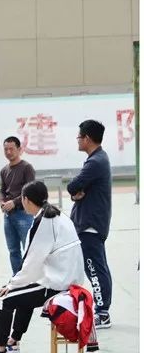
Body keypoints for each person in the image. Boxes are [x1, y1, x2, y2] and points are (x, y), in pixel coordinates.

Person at [0, 181, 86, 353]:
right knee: (22, 291)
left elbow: (31, 262)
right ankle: (13, 342)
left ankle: (0, 349)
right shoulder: (56, 215)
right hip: (68, 278)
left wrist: (12, 285)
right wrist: (18, 283)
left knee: (4, 297)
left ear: (26, 200)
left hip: (57, 283)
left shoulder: (44, 222)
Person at [67, 119, 113, 329]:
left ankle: (102, 314)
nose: (77, 140)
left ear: (87, 138)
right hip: (92, 223)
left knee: (94, 268)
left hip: (90, 225)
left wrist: (75, 191)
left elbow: (73, 185)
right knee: (99, 267)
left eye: (79, 136)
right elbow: (77, 190)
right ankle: (103, 310)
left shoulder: (95, 162)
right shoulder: (98, 159)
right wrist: (77, 194)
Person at [0, 136, 36, 274]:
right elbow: (2, 190)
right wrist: (2, 202)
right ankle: (17, 280)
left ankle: (30, 279)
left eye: (11, 149)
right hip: (8, 216)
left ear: (19, 149)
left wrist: (14, 203)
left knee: (29, 249)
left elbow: (30, 191)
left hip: (24, 215)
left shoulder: (27, 168)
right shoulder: (4, 171)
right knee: (13, 250)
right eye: (6, 149)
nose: (8, 152)